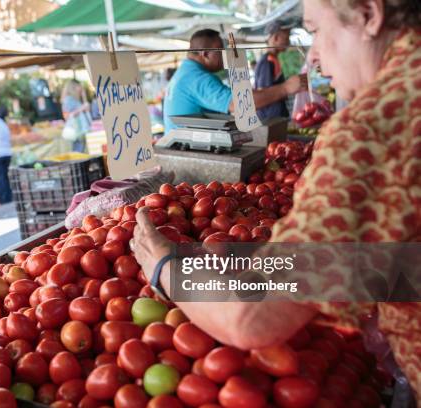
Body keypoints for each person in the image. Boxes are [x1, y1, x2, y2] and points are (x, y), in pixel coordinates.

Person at [133, 0, 421, 399]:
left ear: (369, 16)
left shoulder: (375, 125)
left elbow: (253, 314)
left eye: (315, 31)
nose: (314, 58)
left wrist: (165, 265)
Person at [163, 29, 306, 134]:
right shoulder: (198, 79)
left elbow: (236, 95)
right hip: (189, 152)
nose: (225, 56)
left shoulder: (185, 72)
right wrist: (285, 88)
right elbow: (240, 104)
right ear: (205, 54)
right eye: (220, 51)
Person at [254, 20, 293, 121]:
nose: (289, 42)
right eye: (287, 38)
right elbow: (263, 93)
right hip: (271, 120)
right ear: (275, 38)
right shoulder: (267, 61)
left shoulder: (273, 59)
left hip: (276, 118)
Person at [61, 80, 91, 153]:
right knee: (78, 150)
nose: (81, 88)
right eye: (79, 86)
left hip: (80, 129)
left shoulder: (75, 99)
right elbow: (67, 116)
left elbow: (87, 109)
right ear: (73, 87)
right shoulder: (68, 99)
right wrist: (81, 108)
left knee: (81, 149)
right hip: (76, 129)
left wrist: (84, 97)